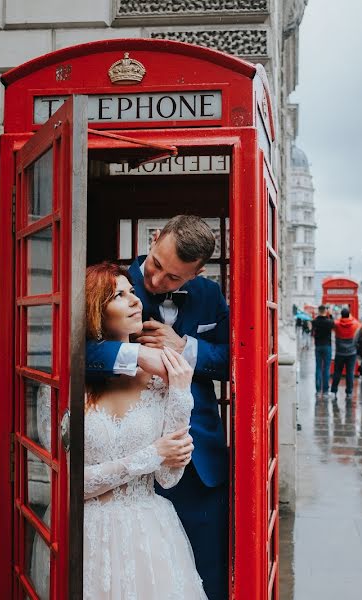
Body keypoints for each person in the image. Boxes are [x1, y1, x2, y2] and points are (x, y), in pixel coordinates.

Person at [84, 215, 229, 600]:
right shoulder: (116, 285)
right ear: (155, 238)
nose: (156, 282)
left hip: (193, 455)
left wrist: (187, 348)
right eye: (156, 264)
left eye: (174, 278)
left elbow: (239, 359)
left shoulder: (210, 297)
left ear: (197, 274)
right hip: (125, 452)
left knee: (199, 572)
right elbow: (74, 347)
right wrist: (135, 355)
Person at [330, 307, 360, 399]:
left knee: (337, 373)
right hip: (351, 353)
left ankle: (334, 390)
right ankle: (349, 392)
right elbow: (358, 323)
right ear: (349, 315)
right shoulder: (355, 324)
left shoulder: (337, 324)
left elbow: (333, 324)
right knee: (350, 373)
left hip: (340, 353)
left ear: (341, 315)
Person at [311, 305, 335, 398]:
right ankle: (325, 391)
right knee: (326, 368)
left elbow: (312, 332)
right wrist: (331, 315)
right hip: (327, 346)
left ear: (318, 310)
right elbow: (333, 323)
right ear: (325, 310)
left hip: (318, 346)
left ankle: (317, 390)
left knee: (318, 368)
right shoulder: (329, 322)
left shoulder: (315, 321)